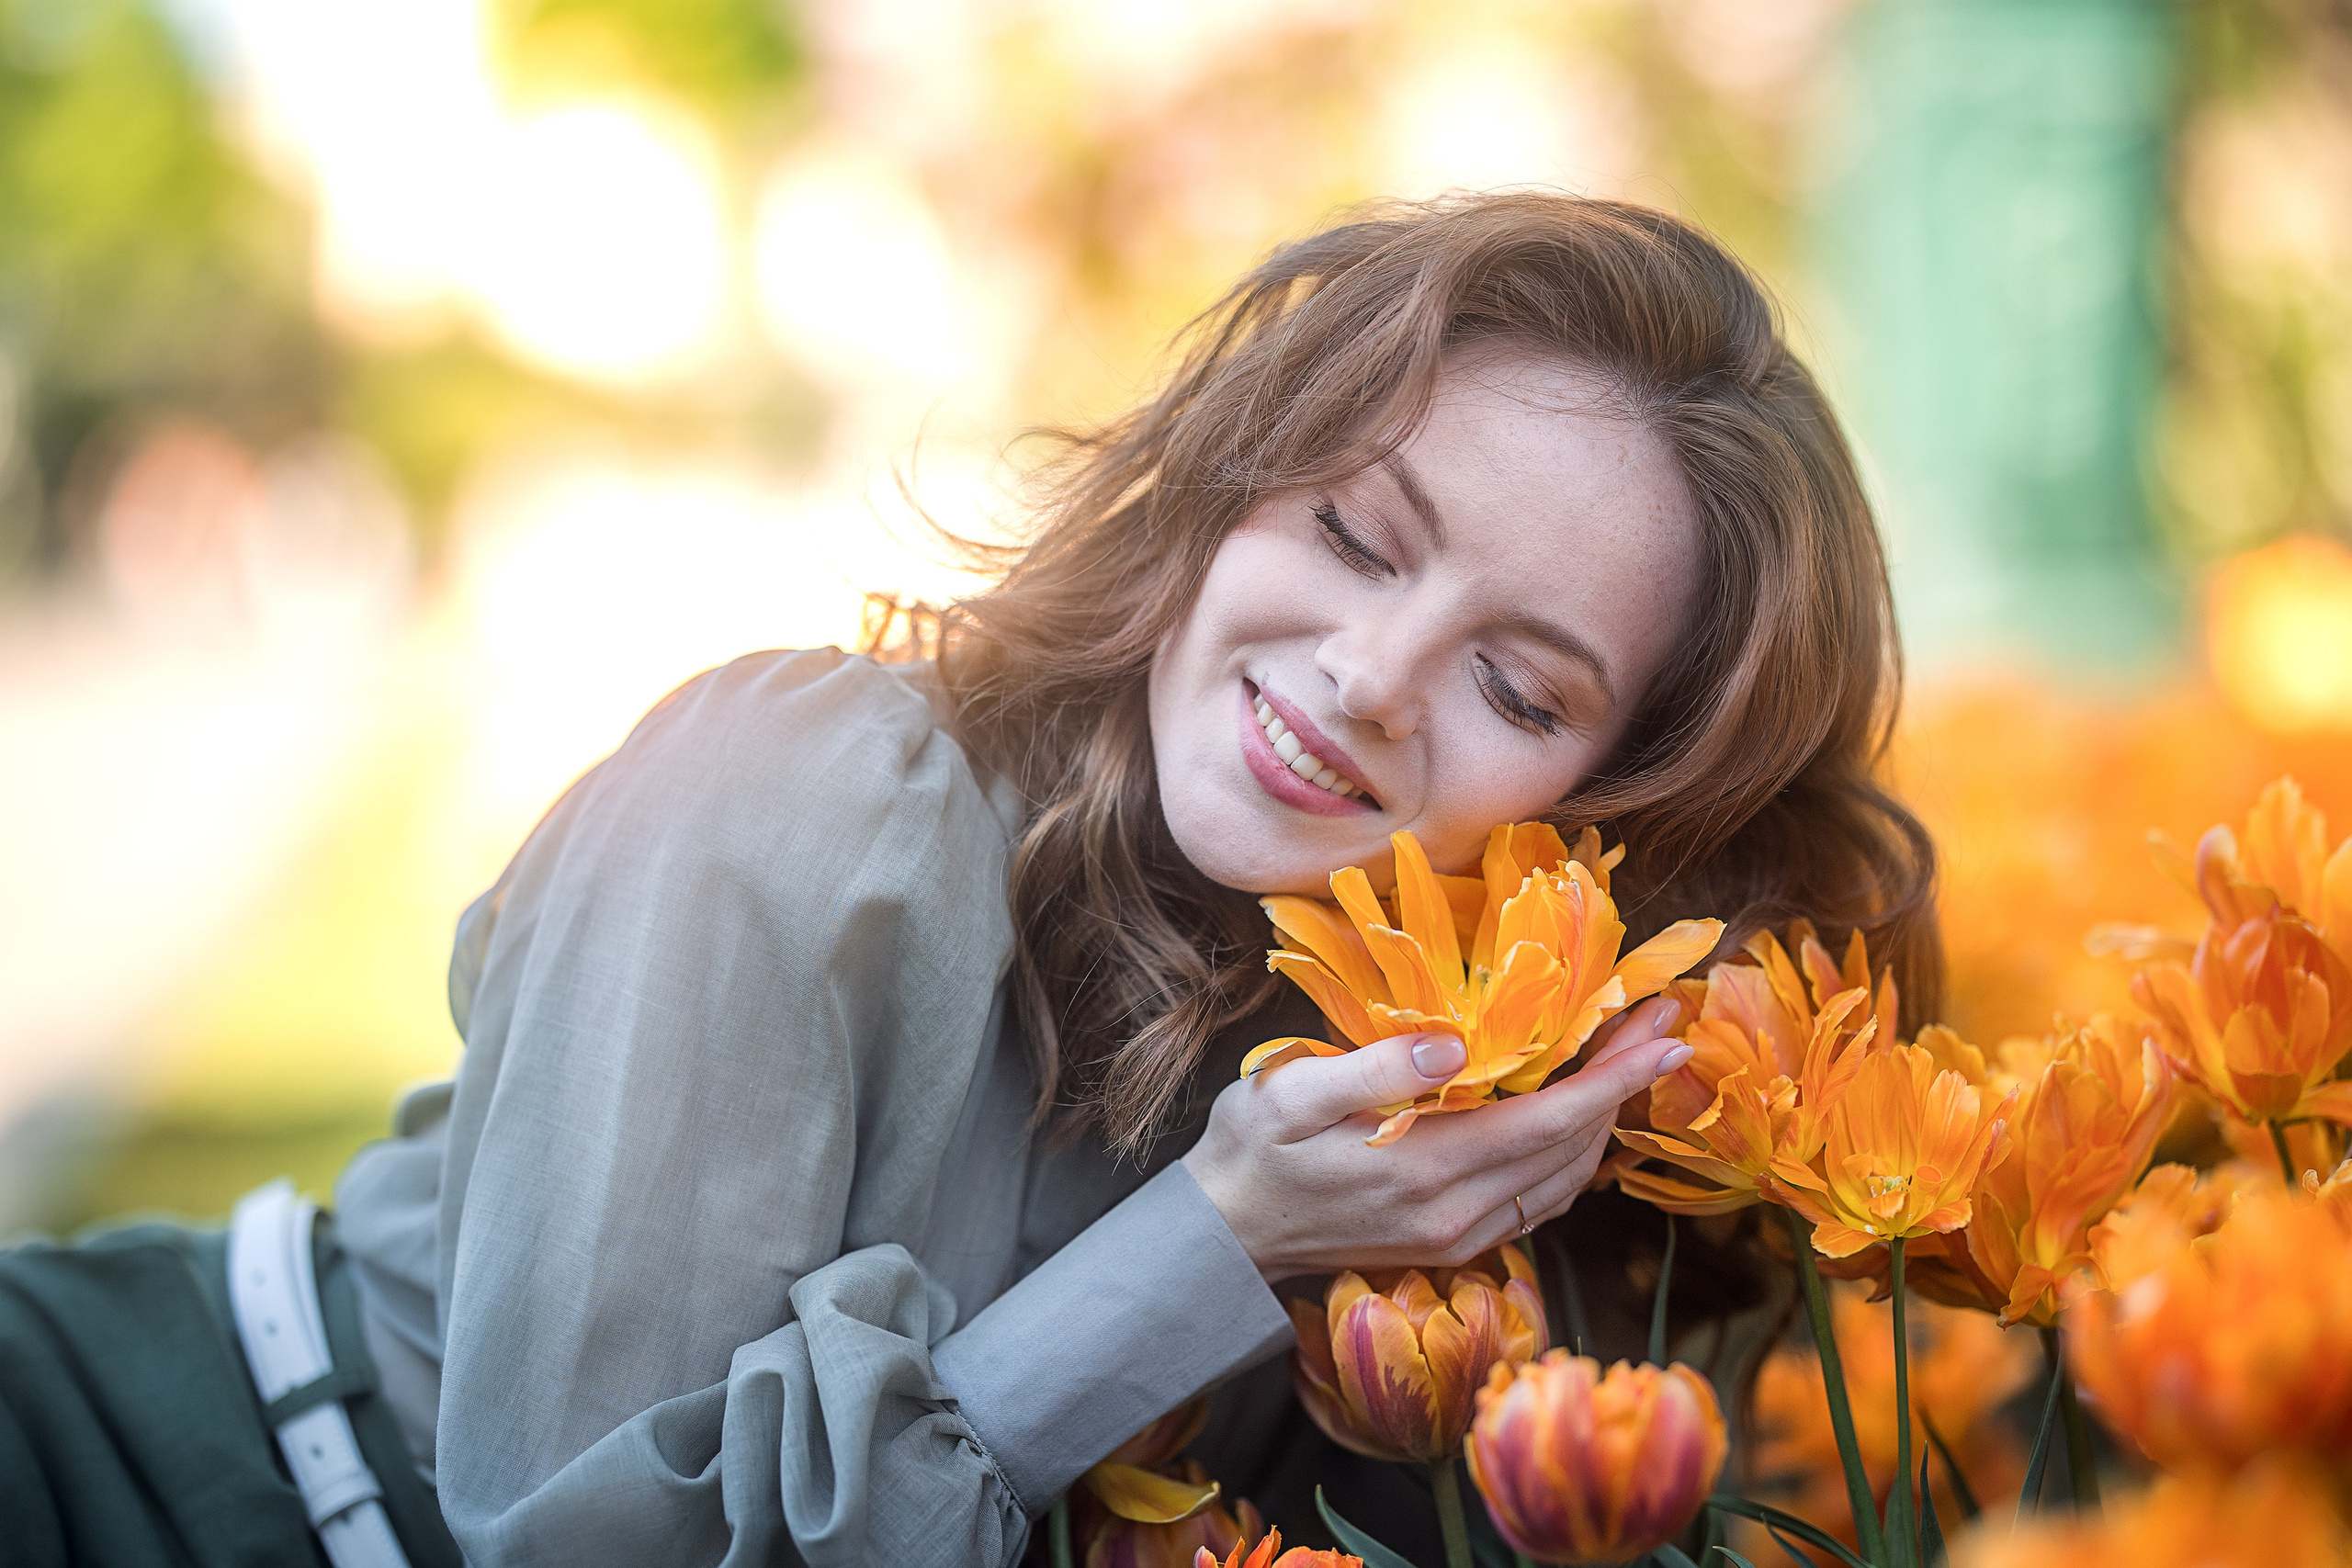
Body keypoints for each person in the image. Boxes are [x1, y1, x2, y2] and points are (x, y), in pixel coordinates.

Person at [0, 193, 1938, 1567]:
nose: (1370, 674)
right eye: (1354, 533)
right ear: (1229, 480)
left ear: (1622, 808)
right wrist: (1215, 1241)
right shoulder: (799, 794)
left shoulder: (1415, 1093)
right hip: (153, 1474)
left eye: (1518, 686)